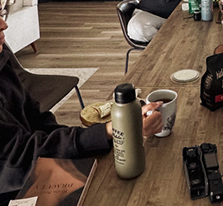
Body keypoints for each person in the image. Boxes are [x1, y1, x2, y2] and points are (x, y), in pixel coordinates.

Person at [0, 15, 162, 192]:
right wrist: (114, 130)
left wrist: (111, 134)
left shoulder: (3, 62)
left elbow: (41, 123)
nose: (4, 24)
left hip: (40, 169)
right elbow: (21, 156)